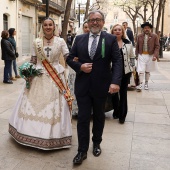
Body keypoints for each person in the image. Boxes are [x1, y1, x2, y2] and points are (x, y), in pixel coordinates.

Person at [66, 10, 122, 164]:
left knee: (98, 116)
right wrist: (80, 66)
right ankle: (82, 151)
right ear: (88, 22)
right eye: (92, 20)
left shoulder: (110, 39)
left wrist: (115, 81)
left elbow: (117, 61)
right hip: (83, 85)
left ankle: (97, 142)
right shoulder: (79, 39)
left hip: (101, 86)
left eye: (98, 20)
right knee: (83, 118)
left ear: (103, 22)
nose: (95, 23)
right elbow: (69, 58)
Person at [8, 17, 72, 150]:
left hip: (55, 77)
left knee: (53, 104)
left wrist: (78, 62)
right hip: (38, 76)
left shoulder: (60, 41)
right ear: (42, 27)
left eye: (50, 25)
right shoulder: (36, 42)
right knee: (33, 103)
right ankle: (27, 133)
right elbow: (33, 60)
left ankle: (54, 136)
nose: (48, 27)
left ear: (54, 27)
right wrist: (27, 70)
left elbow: (67, 57)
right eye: (45, 25)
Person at [111, 24, 135, 124]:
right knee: (113, 93)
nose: (117, 31)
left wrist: (132, 70)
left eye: (119, 30)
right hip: (112, 72)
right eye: (115, 30)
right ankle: (116, 111)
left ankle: (122, 115)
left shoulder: (128, 43)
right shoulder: (109, 43)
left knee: (123, 93)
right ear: (112, 32)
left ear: (122, 31)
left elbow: (132, 57)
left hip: (125, 72)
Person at [68, 20, 90, 116]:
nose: (87, 29)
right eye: (85, 27)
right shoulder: (78, 39)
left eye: (88, 27)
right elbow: (71, 57)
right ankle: (77, 110)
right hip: (78, 70)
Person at [136, 22, 160, 92]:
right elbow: (137, 46)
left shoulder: (155, 36)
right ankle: (140, 84)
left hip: (150, 55)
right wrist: (136, 55)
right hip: (141, 55)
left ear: (150, 29)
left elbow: (157, 46)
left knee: (147, 70)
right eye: (145, 28)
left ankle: (146, 83)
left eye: (148, 28)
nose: (146, 29)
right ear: (143, 29)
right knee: (141, 70)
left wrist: (155, 55)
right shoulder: (139, 36)